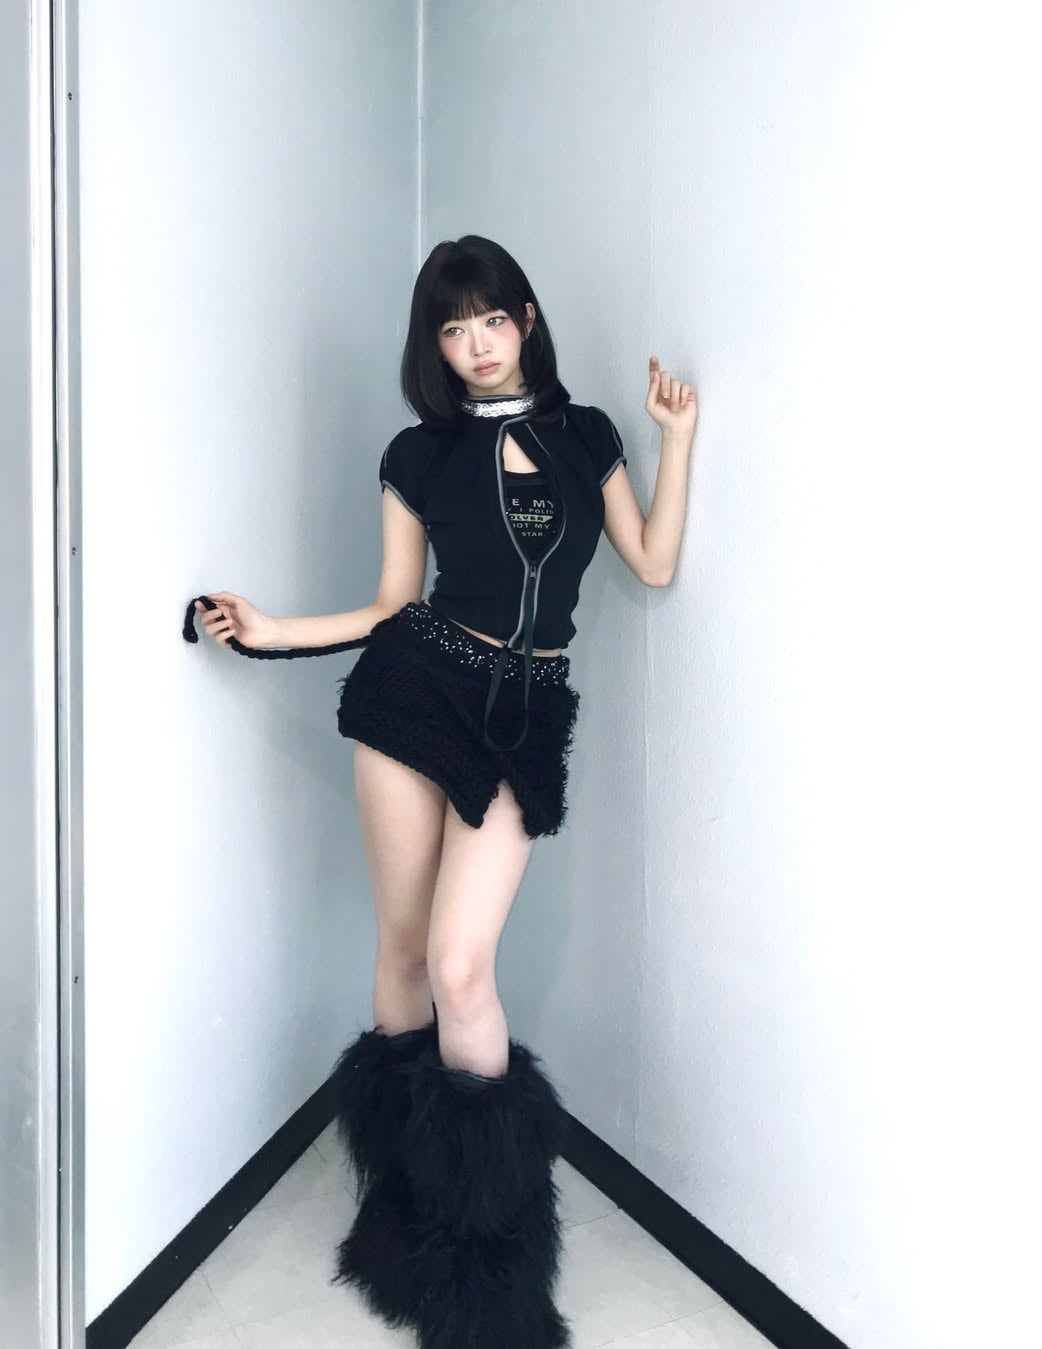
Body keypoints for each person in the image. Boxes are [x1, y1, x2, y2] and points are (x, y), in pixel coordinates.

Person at [193, 235, 697, 1348]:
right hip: (415, 693)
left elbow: (653, 562)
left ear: (526, 319)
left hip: (524, 714)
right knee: (407, 953)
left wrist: (677, 440)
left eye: (490, 319)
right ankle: (408, 1209)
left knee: (464, 966)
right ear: (436, 343)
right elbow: (392, 603)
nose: (474, 343)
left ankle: (488, 1263)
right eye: (452, 327)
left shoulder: (587, 436)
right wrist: (271, 630)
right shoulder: (418, 453)